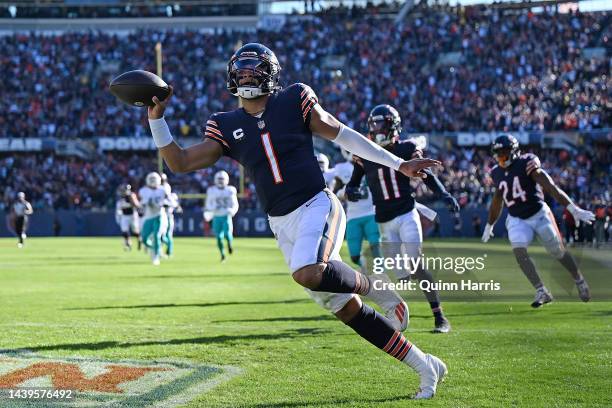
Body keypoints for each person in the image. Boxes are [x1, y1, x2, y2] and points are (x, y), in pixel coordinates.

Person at [146, 43, 446, 398]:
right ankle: (425, 365)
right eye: (239, 71)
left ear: (269, 73)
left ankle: (375, 286)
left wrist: (398, 164)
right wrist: (157, 120)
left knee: (307, 271)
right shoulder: (224, 124)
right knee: (345, 309)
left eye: (251, 69)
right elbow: (179, 162)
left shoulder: (294, 99)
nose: (245, 75)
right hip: (281, 224)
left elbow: (343, 133)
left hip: (317, 205)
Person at [346, 104, 458, 334]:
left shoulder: (406, 147)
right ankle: (396, 311)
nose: (376, 129)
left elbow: (426, 175)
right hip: (384, 221)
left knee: (416, 264)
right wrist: (352, 191)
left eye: (380, 124)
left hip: (407, 214)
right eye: (373, 124)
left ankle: (439, 317)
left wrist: (443, 194)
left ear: (392, 125)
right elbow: (353, 183)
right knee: (399, 273)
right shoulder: (365, 152)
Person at [482, 134, 594, 307]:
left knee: (558, 252)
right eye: (498, 153)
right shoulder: (496, 172)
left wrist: (573, 209)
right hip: (517, 218)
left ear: (513, 151)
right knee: (519, 252)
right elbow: (498, 199)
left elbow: (550, 187)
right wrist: (490, 224)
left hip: (539, 214)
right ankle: (542, 290)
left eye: (504, 153)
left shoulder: (527, 163)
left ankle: (579, 279)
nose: (500, 157)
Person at [205, 170, 239, 262]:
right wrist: (213, 208)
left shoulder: (230, 190)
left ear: (226, 180)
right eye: (219, 179)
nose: (220, 181)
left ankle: (229, 244)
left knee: (228, 234)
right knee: (219, 237)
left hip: (226, 215)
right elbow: (208, 204)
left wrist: (232, 211)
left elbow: (235, 204)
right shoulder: (211, 190)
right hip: (216, 216)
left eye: (222, 179)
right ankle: (222, 254)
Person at [138, 172, 169, 266]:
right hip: (148, 216)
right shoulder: (143, 190)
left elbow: (169, 200)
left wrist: (165, 204)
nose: (152, 182)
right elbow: (141, 203)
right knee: (144, 239)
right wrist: (144, 204)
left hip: (159, 215)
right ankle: (156, 249)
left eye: (154, 180)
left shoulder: (163, 190)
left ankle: (156, 257)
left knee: (157, 235)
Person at [115, 184, 141, 251]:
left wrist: (132, 201)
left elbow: (136, 205)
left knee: (135, 231)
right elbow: (119, 207)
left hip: (132, 215)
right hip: (124, 215)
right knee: (124, 230)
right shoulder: (120, 198)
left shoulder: (131, 196)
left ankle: (139, 240)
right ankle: (128, 243)